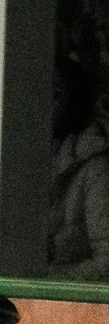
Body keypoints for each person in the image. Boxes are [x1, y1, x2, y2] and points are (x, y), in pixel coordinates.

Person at [50, 58, 109, 280]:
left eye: (56, 94)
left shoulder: (95, 167)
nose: (46, 103)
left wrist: (51, 282)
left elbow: (107, 259)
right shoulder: (25, 157)